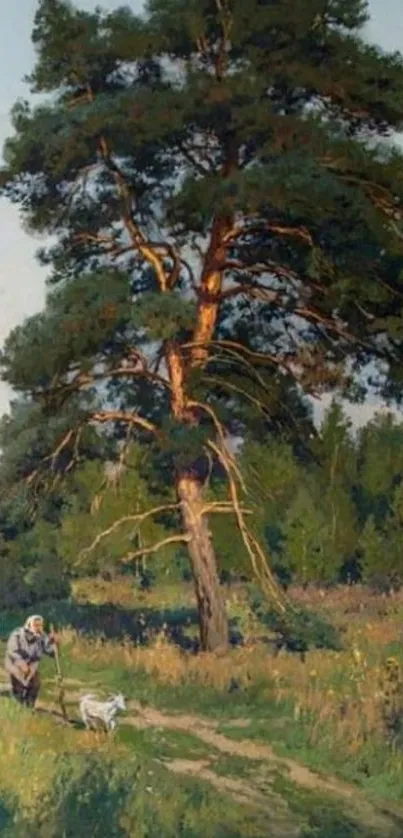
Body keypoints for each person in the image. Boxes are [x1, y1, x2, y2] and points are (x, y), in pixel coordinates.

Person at [4, 615, 59, 708]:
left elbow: (51, 652)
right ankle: (19, 704)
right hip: (14, 662)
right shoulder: (17, 634)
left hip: (31, 664)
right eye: (36, 625)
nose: (38, 628)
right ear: (29, 625)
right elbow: (12, 651)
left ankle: (29, 706)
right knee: (19, 683)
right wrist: (22, 664)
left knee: (35, 684)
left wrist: (54, 643)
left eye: (40, 625)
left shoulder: (42, 636)